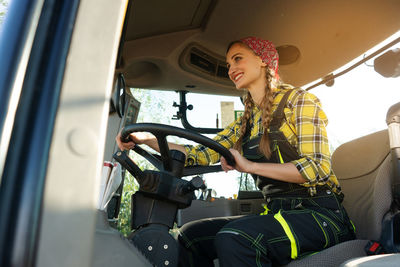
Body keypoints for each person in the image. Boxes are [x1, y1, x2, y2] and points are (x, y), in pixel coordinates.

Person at [116, 36, 355, 267]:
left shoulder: (299, 101)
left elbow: (316, 168)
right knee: (192, 236)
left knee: (235, 237)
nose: (231, 69)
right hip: (278, 213)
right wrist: (146, 139)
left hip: (321, 216)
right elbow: (199, 153)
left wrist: (250, 166)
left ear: (263, 60)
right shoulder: (246, 122)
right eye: (229, 64)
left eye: (238, 59)